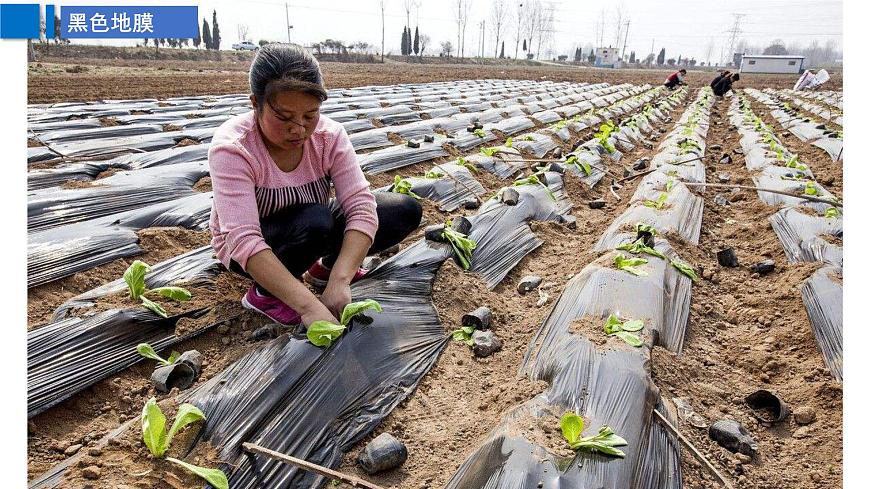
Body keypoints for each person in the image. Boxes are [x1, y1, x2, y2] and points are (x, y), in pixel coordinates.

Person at [208, 43, 423, 327]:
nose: (299, 128)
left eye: (310, 115)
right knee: (316, 221)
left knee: (402, 210)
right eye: (284, 117)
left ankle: (325, 269)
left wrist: (340, 279)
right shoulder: (234, 148)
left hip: (311, 228)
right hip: (254, 249)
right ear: (255, 104)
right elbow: (243, 239)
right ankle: (264, 294)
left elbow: (360, 207)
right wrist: (309, 306)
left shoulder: (328, 137)